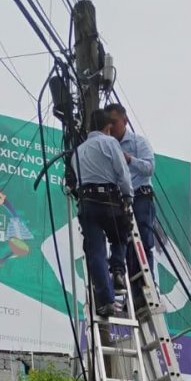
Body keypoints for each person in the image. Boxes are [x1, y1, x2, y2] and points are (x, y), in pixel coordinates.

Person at [73, 108, 134, 317]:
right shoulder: (110, 143)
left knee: (96, 252)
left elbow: (75, 181)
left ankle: (107, 301)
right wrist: (128, 197)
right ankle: (117, 270)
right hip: (109, 201)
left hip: (87, 203)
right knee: (120, 236)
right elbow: (122, 174)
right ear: (108, 127)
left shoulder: (78, 151)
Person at [105, 103, 156, 282]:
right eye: (108, 123)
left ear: (125, 120)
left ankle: (147, 285)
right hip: (120, 200)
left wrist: (129, 159)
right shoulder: (106, 145)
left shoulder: (137, 142)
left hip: (140, 196)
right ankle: (133, 292)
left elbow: (149, 168)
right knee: (122, 243)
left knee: (142, 241)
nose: (111, 127)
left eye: (114, 122)